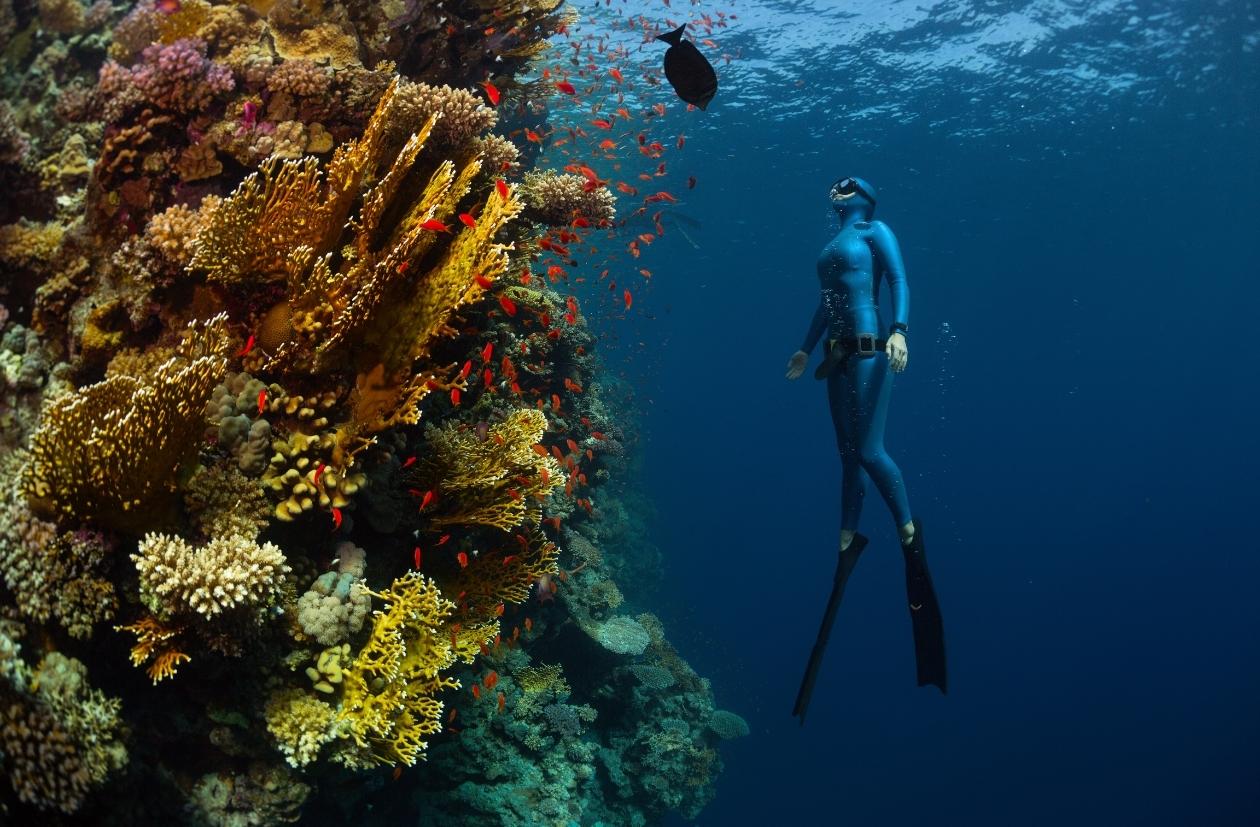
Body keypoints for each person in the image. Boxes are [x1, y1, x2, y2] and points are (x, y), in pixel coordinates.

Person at [790, 177, 946, 723]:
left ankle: (907, 529)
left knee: (871, 450)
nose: (837, 192)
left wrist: (901, 329)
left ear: (862, 198)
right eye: (835, 188)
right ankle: (847, 533)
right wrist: (804, 350)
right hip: (836, 359)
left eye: (847, 188)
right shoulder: (834, 247)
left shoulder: (877, 230)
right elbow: (824, 303)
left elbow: (899, 280)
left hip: (872, 351)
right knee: (847, 456)